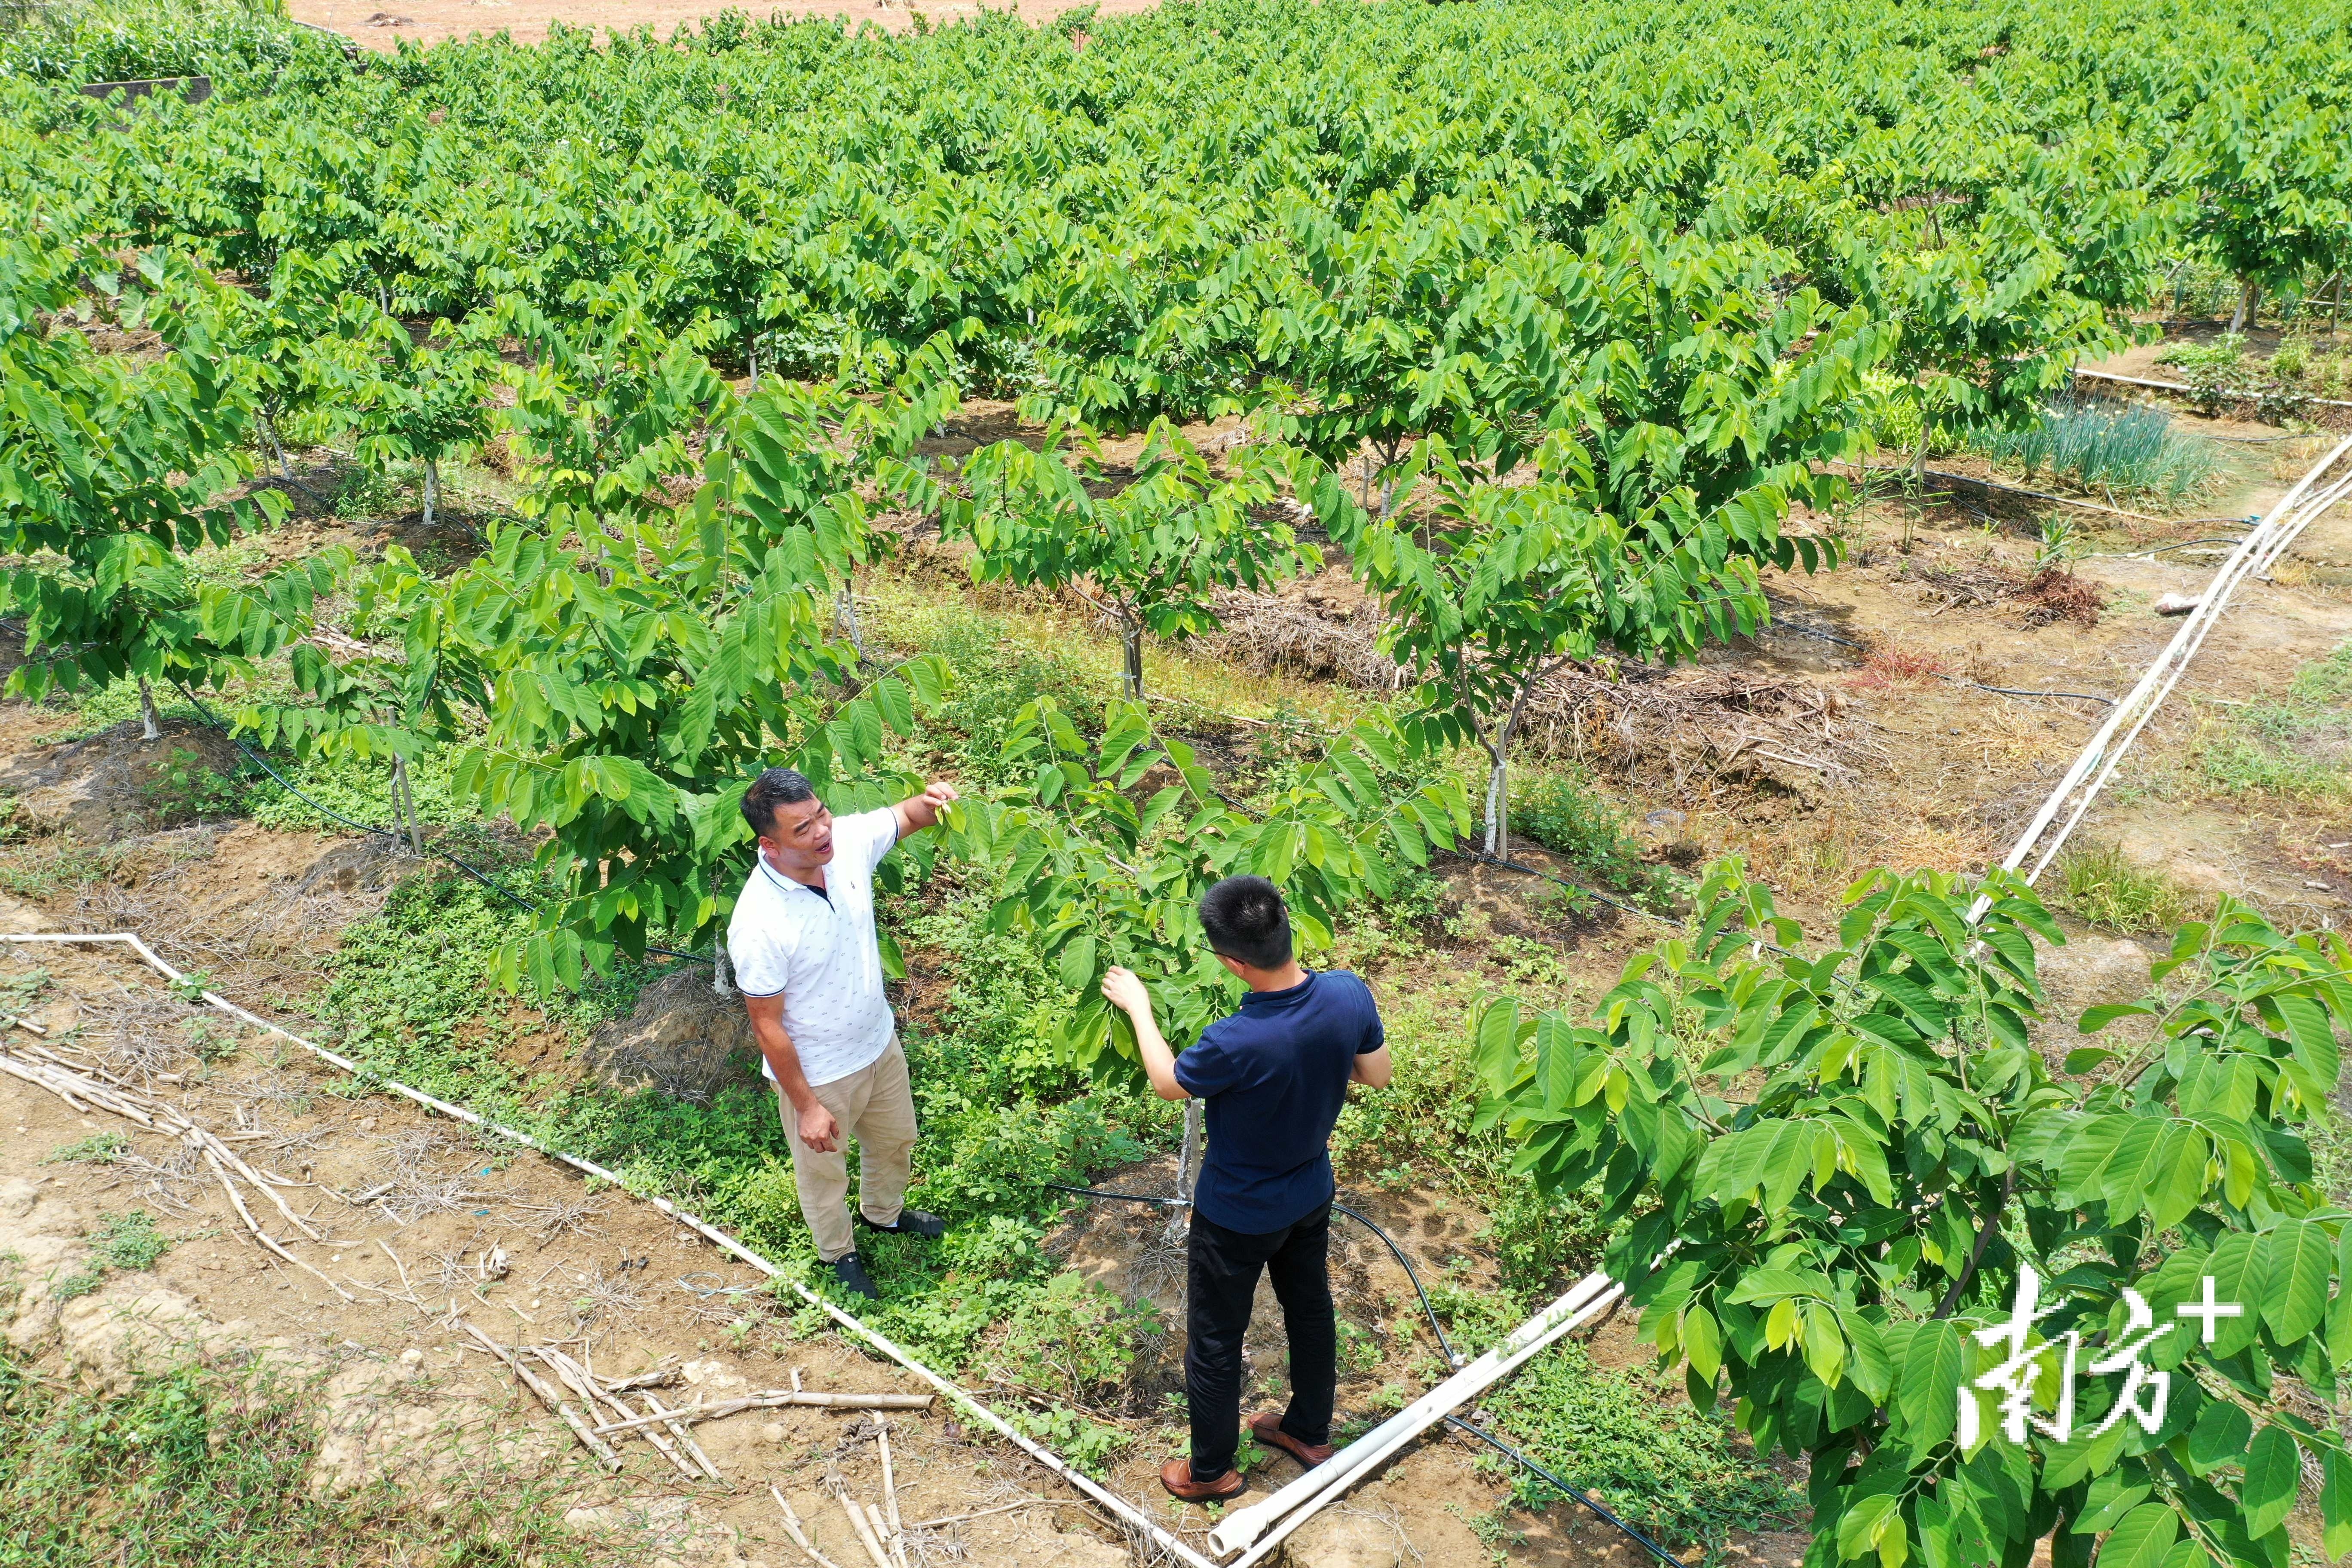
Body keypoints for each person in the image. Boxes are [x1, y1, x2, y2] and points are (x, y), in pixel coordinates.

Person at [1099, 875, 1391, 1503]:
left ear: (1233, 962)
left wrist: (1140, 1008)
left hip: (1237, 1216)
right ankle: (1309, 1431)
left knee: (1215, 1339)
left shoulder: (1234, 1039)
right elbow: (1378, 1075)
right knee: (1309, 1309)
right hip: (1311, 1192)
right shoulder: (1348, 994)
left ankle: (1211, 1471)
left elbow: (1169, 1081)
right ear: (1286, 924)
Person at [728, 766, 959, 1301]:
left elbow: (905, 816)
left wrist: (934, 801)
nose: (822, 832)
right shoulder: (760, 922)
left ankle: (884, 1215)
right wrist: (807, 1105)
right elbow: (767, 1025)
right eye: (802, 829)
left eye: (821, 814)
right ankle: (839, 1255)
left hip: (878, 1044)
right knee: (823, 1175)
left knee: (896, 1139)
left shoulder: (845, 843)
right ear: (770, 844)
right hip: (820, 1072)